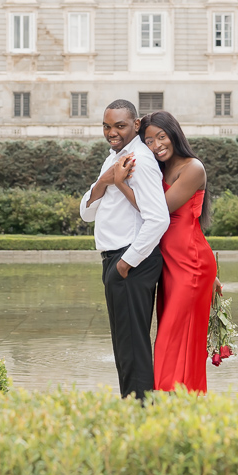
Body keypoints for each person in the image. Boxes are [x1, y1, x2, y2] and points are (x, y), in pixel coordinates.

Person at [79, 99, 169, 399]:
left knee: (132, 347)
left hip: (131, 260)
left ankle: (141, 413)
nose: (111, 132)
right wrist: (105, 181)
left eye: (119, 126)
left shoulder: (139, 161)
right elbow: (86, 212)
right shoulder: (114, 159)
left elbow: (158, 219)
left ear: (136, 125)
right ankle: (135, 410)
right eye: (106, 126)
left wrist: (125, 264)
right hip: (117, 260)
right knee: (125, 345)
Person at [137, 111, 220, 393]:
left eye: (161, 136)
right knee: (171, 333)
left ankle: (172, 398)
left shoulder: (193, 167)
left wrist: (120, 182)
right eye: (149, 140)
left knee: (173, 335)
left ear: (174, 134)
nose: (157, 144)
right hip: (170, 266)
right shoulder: (157, 170)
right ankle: (177, 398)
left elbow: (158, 211)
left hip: (192, 264)